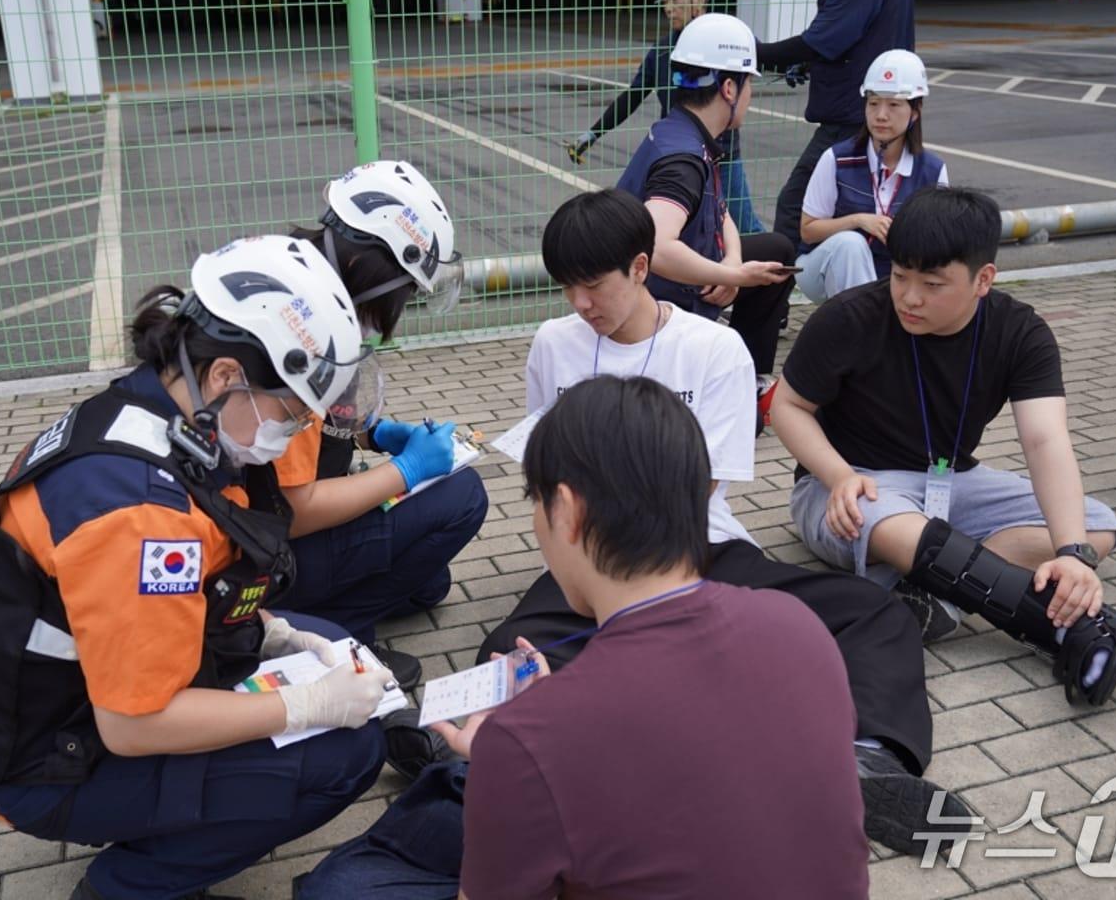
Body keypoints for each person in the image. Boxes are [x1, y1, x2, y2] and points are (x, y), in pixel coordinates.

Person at [473, 189, 967, 857]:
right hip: (585, 566)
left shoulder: (712, 349)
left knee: (871, 613)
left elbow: (701, 486)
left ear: (641, 268)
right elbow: (544, 457)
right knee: (508, 649)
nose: (579, 305)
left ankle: (868, 759)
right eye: (567, 289)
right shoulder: (553, 344)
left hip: (697, 550)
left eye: (593, 286)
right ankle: (475, 758)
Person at [0, 236, 397, 900]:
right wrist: (303, 705)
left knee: (309, 631)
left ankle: (163, 821)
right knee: (344, 752)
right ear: (224, 377)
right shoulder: (138, 513)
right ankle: (129, 886)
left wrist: (276, 632)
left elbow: (185, 584)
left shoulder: (155, 409)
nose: (297, 431)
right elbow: (134, 725)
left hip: (67, 707)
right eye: (291, 411)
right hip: (50, 764)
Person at [301, 375, 875, 899]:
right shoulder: (800, 627)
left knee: (338, 888)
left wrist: (507, 763)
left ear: (568, 512)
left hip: (531, 775)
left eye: (536, 503)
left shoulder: (531, 739)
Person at [770, 187, 1116, 706]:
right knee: (887, 519)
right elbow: (787, 407)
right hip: (848, 487)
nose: (909, 297)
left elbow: (1045, 439)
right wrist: (836, 475)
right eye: (900, 276)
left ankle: (936, 598)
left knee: (1095, 525)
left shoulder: (1020, 332)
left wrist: (1073, 556)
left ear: (982, 280)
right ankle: (1061, 627)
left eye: (933, 283)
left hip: (952, 481)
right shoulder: (850, 317)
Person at [271, 161, 490, 689]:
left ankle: (329, 606)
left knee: (428, 583)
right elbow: (291, 511)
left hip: (259, 538)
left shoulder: (297, 281)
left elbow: (318, 421)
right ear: (379, 270)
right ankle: (336, 636)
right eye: (408, 291)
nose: (403, 305)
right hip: (262, 557)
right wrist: (407, 471)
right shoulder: (305, 337)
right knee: (463, 497)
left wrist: (376, 433)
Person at [615, 12, 799, 382]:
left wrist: (732, 263)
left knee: (775, 250)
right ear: (729, 88)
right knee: (746, 427)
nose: (749, 95)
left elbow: (720, 209)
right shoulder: (683, 159)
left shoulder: (684, 131)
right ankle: (727, 388)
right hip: (656, 304)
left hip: (662, 282)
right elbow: (658, 245)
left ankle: (747, 378)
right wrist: (732, 275)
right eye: (749, 85)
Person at [566, 0, 767, 234]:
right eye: (664, 2)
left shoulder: (726, 39)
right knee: (680, 230)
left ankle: (775, 270)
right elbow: (634, 95)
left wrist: (804, 62)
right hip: (680, 155)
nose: (668, 9)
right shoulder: (661, 52)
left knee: (745, 228)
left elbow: (763, 55)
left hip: (723, 158)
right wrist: (595, 132)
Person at [756, 0, 915, 253]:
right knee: (851, 208)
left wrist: (753, 52)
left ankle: (777, 290)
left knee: (796, 207)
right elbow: (865, 35)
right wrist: (809, 64)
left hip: (854, 118)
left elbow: (824, 39)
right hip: (867, 111)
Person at [796, 49, 949, 303]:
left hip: (896, 276)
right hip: (822, 269)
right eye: (873, 102)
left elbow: (940, 243)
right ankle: (864, 331)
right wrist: (858, 220)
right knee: (850, 245)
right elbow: (808, 231)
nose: (880, 115)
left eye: (894, 105)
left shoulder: (932, 171)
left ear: (915, 111)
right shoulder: (836, 158)